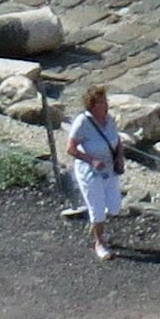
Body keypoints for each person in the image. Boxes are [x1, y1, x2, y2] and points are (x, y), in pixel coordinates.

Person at [66, 87, 128, 261]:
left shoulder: (109, 120)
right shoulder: (82, 122)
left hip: (109, 170)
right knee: (98, 210)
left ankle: (95, 226)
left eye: (105, 101)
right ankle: (99, 242)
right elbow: (70, 149)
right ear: (92, 105)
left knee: (115, 207)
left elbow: (117, 141)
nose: (106, 105)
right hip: (90, 173)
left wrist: (120, 158)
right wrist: (91, 160)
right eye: (101, 102)